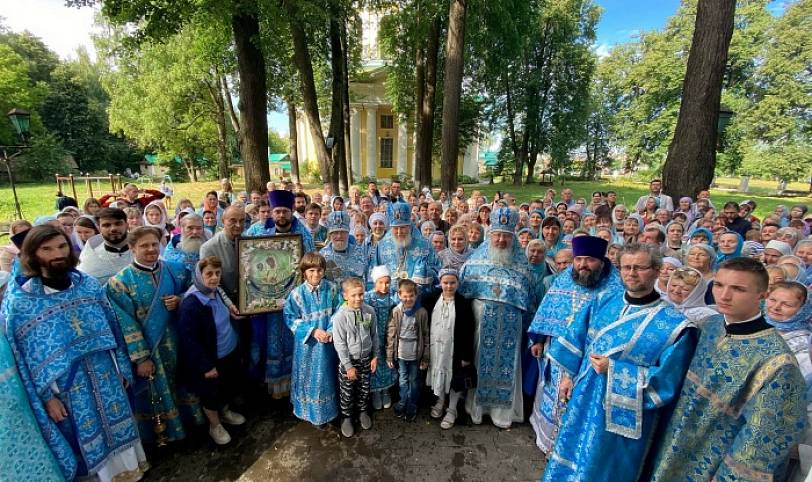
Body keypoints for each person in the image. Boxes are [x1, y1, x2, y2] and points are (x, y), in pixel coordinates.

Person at [1, 225, 148, 481]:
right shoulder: (21, 302)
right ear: (32, 255)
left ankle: (130, 473)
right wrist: (47, 397)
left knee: (119, 423)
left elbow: (114, 330)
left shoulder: (87, 285)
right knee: (85, 439)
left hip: (105, 374)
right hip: (67, 388)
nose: (56, 254)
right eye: (46, 249)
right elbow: (25, 358)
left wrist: (121, 368)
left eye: (61, 246)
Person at [541, 243, 697, 482]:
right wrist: (567, 375)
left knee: (601, 468)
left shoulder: (676, 326)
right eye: (626, 267)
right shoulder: (603, 301)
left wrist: (614, 370)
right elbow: (575, 339)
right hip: (583, 400)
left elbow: (666, 383)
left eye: (640, 268)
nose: (632, 273)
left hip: (621, 419)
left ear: (656, 270)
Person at [647, 257, 807, 481]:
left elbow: (764, 437)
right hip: (671, 442)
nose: (724, 295)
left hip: (711, 464)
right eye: (719, 285)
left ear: (762, 295)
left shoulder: (778, 362)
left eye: (738, 289)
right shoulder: (710, 326)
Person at [527, 236, 623, 453]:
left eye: (589, 260)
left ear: (601, 260)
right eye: (579, 259)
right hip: (557, 350)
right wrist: (539, 339)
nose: (582, 265)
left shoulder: (616, 286)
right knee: (552, 395)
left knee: (578, 399)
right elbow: (548, 308)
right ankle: (548, 441)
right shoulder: (565, 279)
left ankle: (569, 447)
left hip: (591, 356)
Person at [106, 226, 199, 444]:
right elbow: (125, 324)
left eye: (154, 244)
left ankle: (193, 424)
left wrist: (181, 298)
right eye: (144, 245)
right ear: (131, 248)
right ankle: (170, 432)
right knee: (158, 390)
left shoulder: (176, 270)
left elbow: (195, 292)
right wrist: (141, 358)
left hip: (181, 342)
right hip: (152, 350)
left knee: (185, 383)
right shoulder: (120, 283)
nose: (150, 249)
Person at [458, 207, 530, 429]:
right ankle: (476, 409)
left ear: (512, 237)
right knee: (481, 363)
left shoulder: (522, 265)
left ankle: (501, 414)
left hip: (510, 325)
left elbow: (527, 298)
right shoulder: (474, 261)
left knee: (507, 368)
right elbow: (464, 293)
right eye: (497, 235)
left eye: (506, 236)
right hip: (483, 322)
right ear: (490, 235)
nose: (501, 240)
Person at [178, 256, 246, 446]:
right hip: (210, 358)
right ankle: (215, 425)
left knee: (225, 386)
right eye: (209, 274)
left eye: (217, 273)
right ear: (199, 275)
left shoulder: (214, 292)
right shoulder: (192, 303)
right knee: (210, 393)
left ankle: (225, 412)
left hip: (228, 351)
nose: (214, 277)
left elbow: (224, 310)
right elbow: (189, 340)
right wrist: (205, 365)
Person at [283, 253, 343, 427]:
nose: (315, 274)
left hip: (328, 345)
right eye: (311, 270)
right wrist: (312, 331)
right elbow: (290, 317)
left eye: (319, 270)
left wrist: (331, 330)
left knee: (328, 376)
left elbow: (339, 310)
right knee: (311, 380)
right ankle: (312, 414)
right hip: (308, 348)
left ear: (324, 271)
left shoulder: (331, 289)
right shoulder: (296, 294)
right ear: (304, 273)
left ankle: (331, 411)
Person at [764, 281, 812, 481]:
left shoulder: (803, 344)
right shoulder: (750, 326)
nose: (776, 307)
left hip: (774, 422)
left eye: (787, 304)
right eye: (773, 299)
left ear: (803, 309)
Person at [424, 269, 475, 430]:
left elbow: (469, 330)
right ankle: (440, 401)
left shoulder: (463, 303)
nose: (449, 286)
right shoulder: (431, 299)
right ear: (440, 283)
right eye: (445, 282)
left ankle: (452, 409)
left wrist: (466, 355)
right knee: (438, 374)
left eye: (452, 282)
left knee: (454, 378)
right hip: (436, 348)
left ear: (458, 283)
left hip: (454, 350)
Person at [332, 277, 379, 437]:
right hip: (349, 363)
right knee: (347, 391)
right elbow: (339, 344)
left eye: (361, 294)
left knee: (364, 389)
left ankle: (362, 412)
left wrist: (375, 356)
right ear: (345, 296)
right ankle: (346, 417)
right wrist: (348, 366)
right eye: (353, 295)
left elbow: (374, 335)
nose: (358, 298)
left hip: (366, 359)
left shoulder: (369, 311)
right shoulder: (340, 317)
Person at [386, 278, 429, 422]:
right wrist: (390, 355)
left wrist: (425, 358)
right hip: (401, 354)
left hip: (416, 354)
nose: (408, 299)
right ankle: (403, 401)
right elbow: (391, 334)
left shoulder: (421, 312)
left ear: (416, 295)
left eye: (411, 295)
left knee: (414, 381)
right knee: (403, 380)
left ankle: (412, 405)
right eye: (405, 295)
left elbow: (426, 335)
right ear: (399, 295)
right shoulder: (396, 311)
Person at [372, 201, 438, 295]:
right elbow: (374, 272)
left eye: (403, 227)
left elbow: (437, 270)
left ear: (409, 226)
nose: (399, 232)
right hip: (389, 298)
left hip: (417, 297)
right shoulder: (382, 245)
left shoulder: (424, 245)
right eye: (395, 228)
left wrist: (425, 272)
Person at [77, 207, 133, 285]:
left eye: (118, 223)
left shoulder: (141, 244)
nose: (113, 228)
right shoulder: (92, 248)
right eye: (107, 225)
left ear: (127, 225)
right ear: (99, 228)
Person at [320, 210, 368, 286]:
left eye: (343, 232)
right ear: (330, 234)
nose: (339, 236)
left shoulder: (359, 252)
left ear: (348, 233)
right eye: (335, 232)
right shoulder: (322, 255)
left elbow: (366, 278)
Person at [99, 183, 165, 213]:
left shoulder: (142, 201)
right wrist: (108, 195)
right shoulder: (118, 203)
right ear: (127, 192)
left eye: (137, 191)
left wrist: (146, 191)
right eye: (134, 192)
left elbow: (161, 195)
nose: (137, 193)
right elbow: (99, 205)